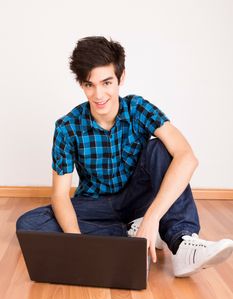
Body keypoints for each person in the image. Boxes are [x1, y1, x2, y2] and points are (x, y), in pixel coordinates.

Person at [16, 36, 233, 277]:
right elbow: (59, 195)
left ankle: (181, 243)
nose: (99, 94)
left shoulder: (138, 108)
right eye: (90, 85)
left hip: (139, 198)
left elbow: (187, 157)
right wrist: (77, 245)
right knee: (29, 224)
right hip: (94, 205)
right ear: (81, 85)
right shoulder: (67, 127)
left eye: (106, 82)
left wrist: (152, 218)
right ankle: (130, 231)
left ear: (121, 78)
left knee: (160, 149)